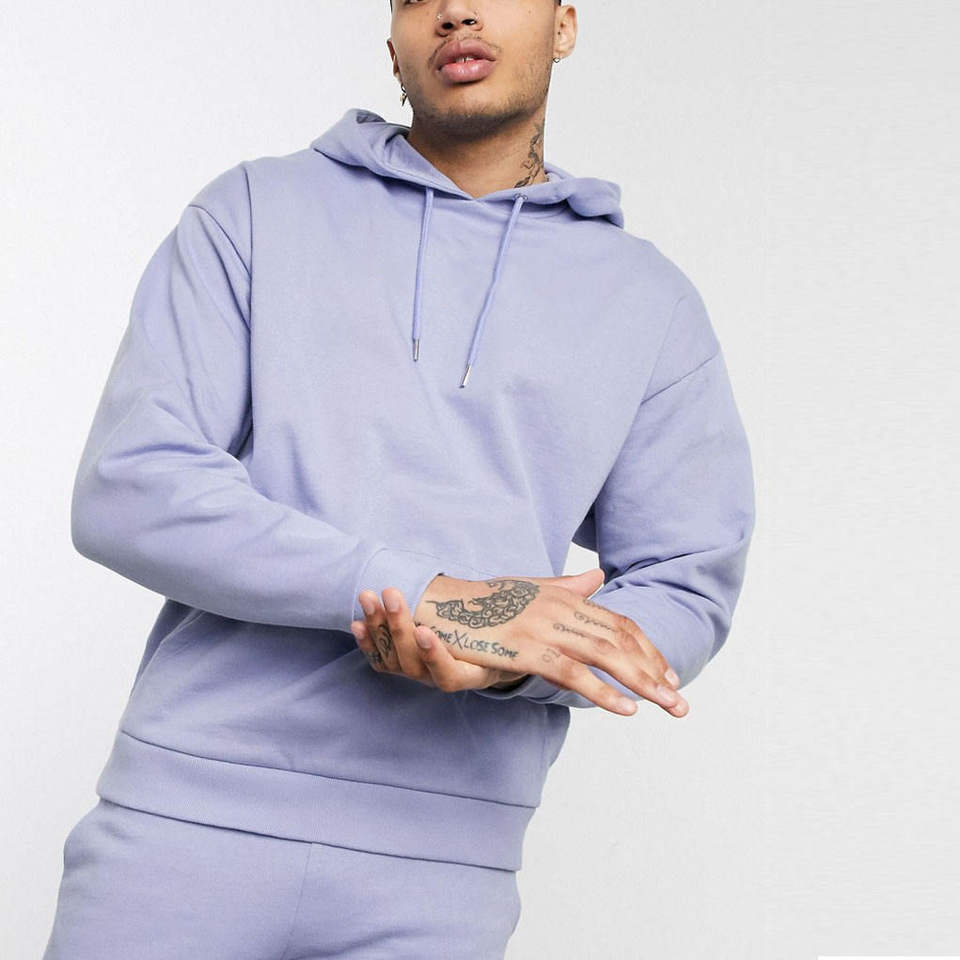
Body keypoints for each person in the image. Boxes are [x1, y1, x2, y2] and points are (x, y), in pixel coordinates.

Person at [41, 2, 756, 957]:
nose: (454, 9)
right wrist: (432, 596)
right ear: (392, 45)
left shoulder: (647, 300)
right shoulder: (254, 211)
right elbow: (131, 483)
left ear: (564, 24)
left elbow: (686, 578)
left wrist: (506, 660)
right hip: (187, 825)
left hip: (444, 873)